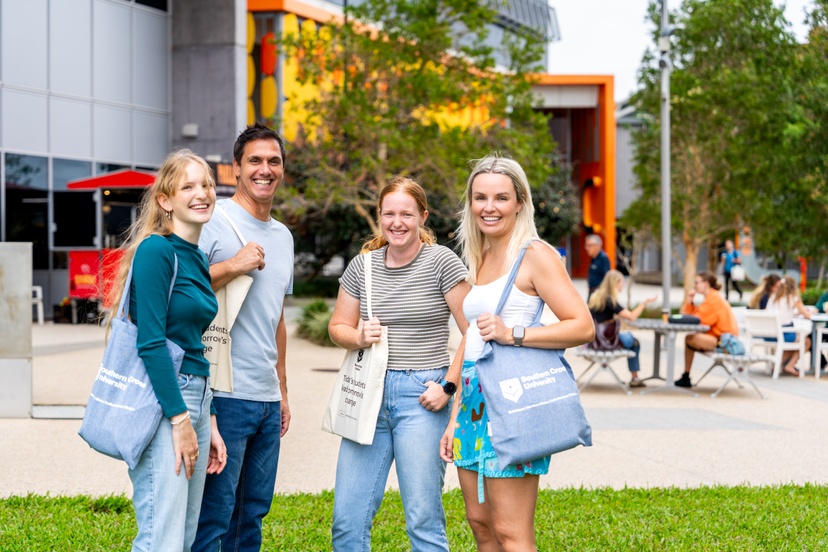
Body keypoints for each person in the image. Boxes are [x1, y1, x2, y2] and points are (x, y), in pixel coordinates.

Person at [439, 156, 594, 551]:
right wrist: (454, 415)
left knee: (511, 531)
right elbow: (471, 338)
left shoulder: (534, 254)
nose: (489, 207)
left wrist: (514, 334)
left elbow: (582, 325)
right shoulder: (481, 254)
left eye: (501, 198)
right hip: (474, 399)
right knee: (481, 525)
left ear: (520, 202)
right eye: (480, 197)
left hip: (512, 400)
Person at [328, 176, 470, 551]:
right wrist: (358, 337)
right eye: (389, 213)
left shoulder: (442, 262)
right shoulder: (364, 267)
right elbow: (337, 327)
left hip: (422, 396)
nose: (397, 222)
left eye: (406, 213)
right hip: (369, 396)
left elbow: (474, 332)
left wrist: (449, 387)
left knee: (423, 520)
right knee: (347, 520)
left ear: (422, 216)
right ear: (379, 216)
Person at [106, 149, 227, 550]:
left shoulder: (194, 256)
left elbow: (193, 344)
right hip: (165, 403)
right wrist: (181, 419)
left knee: (184, 534)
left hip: (196, 396)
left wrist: (206, 418)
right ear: (165, 200)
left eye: (206, 184)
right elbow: (151, 343)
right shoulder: (157, 250)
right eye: (188, 186)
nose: (201, 193)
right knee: (162, 537)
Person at [194, 123, 294, 551]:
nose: (264, 169)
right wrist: (234, 265)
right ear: (235, 168)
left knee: (251, 514)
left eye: (273, 161)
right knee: (214, 515)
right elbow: (181, 291)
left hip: (266, 399)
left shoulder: (284, 236)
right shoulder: (212, 220)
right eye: (254, 160)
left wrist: (283, 391)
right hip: (223, 392)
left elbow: (277, 318)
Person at [587, 270, 657, 388]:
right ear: (615, 283)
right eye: (622, 282)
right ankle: (635, 378)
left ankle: (635, 377)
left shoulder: (595, 296)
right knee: (634, 342)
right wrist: (645, 303)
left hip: (594, 340)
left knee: (629, 337)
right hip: (606, 340)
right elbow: (632, 317)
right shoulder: (609, 299)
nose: (623, 285)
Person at [675, 271, 739, 388]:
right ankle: (686, 376)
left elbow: (696, 319)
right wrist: (690, 302)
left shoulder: (713, 299)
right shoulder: (711, 297)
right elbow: (693, 318)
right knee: (689, 338)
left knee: (690, 338)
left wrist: (689, 303)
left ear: (706, 283)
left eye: (697, 282)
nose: (695, 285)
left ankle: (686, 376)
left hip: (724, 342)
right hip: (719, 338)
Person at [766, 276, 811, 376]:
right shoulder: (793, 298)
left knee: (793, 340)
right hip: (781, 334)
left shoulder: (773, 297)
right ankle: (790, 365)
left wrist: (794, 313)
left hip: (768, 335)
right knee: (806, 341)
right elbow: (807, 315)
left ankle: (777, 365)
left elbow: (781, 313)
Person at [585, 233, 610, 299]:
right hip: (592, 291)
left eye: (589, 245)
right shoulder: (593, 258)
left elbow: (607, 276)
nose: (587, 248)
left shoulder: (603, 258)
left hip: (599, 293)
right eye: (586, 245)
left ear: (597, 246)